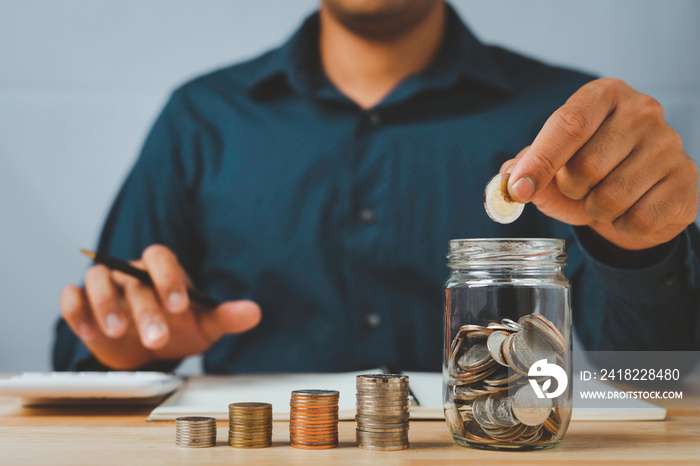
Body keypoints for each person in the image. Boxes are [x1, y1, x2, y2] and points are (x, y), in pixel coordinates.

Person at [54, 0, 700, 373]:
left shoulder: (565, 122)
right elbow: (88, 346)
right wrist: (128, 343)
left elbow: (657, 372)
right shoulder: (201, 116)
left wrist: (641, 249)